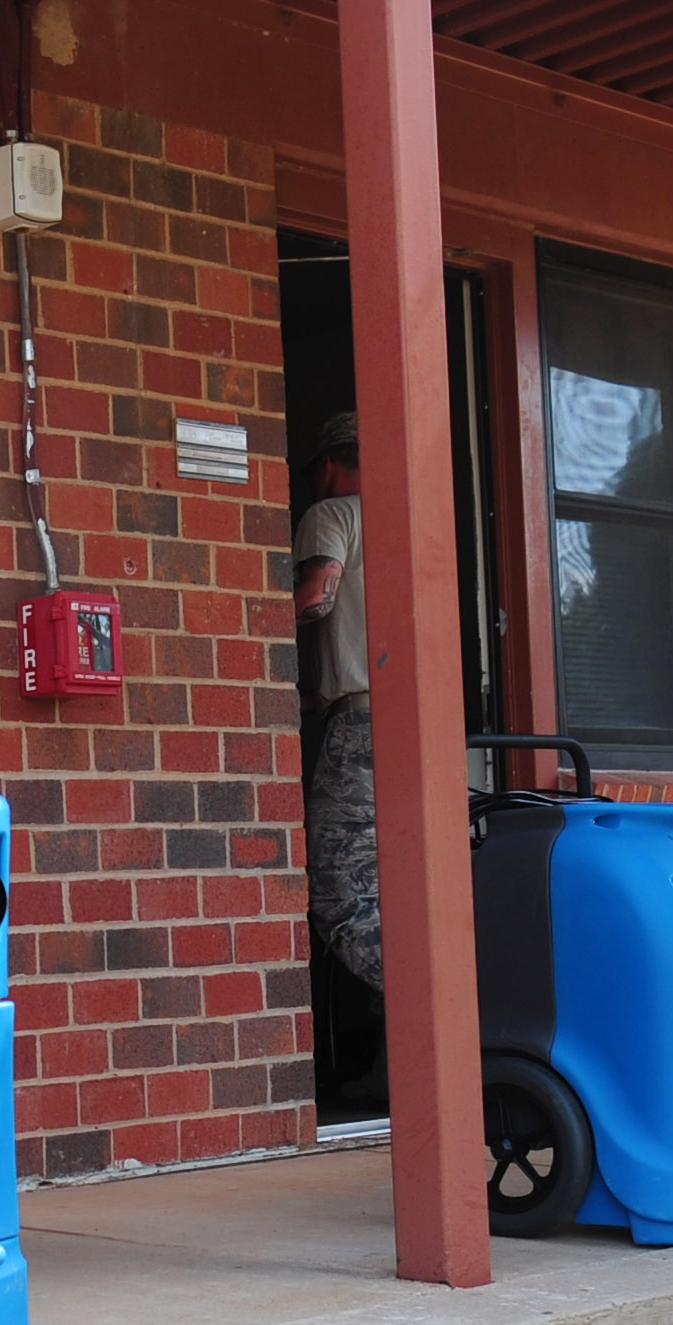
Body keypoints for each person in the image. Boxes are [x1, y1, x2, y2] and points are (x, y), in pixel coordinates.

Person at [292, 412, 386, 1099]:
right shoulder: (412, 522)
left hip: (360, 728)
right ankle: (400, 1061)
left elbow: (318, 596)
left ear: (328, 465)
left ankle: (449, 1016)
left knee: (338, 896)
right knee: (400, 892)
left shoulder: (333, 512)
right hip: (422, 732)